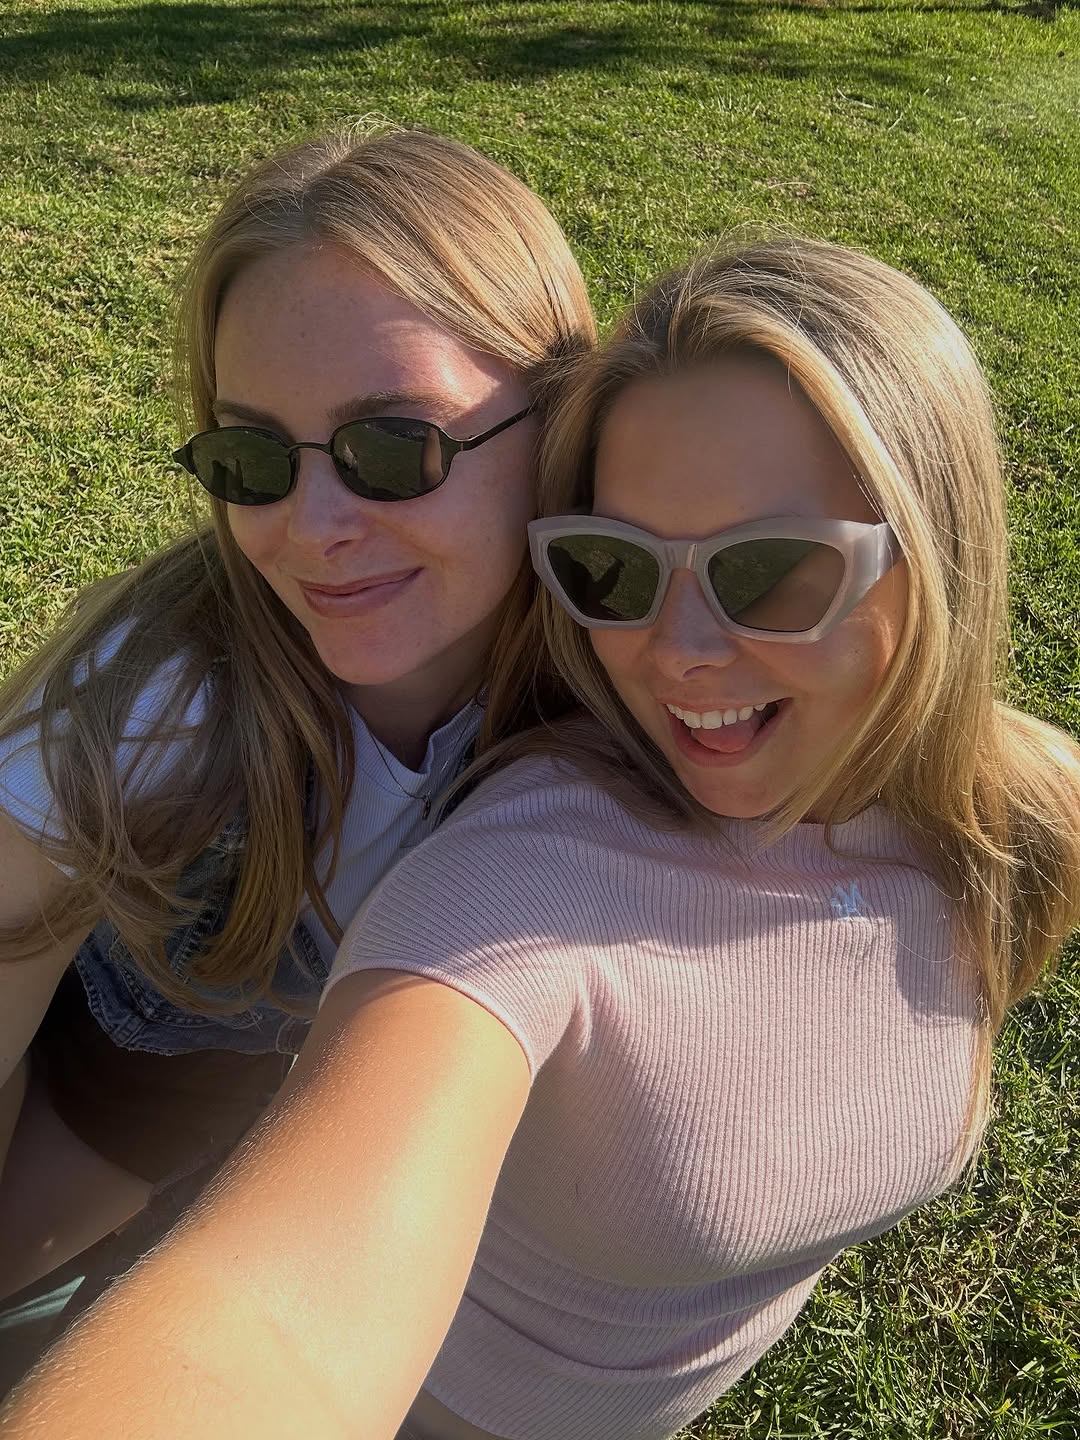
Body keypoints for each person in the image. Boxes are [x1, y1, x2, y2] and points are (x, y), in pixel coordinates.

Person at [3, 236, 1077, 1440]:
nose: (677, 653)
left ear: (942, 559)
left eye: (771, 572)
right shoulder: (517, 884)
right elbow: (272, 1330)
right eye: (614, 571)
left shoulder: (1012, 810)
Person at [0, 121, 594, 1334]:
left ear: (560, 419)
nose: (311, 528)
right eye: (252, 456)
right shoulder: (161, 703)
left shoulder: (640, 653)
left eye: (394, 447)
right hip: (115, 1115)